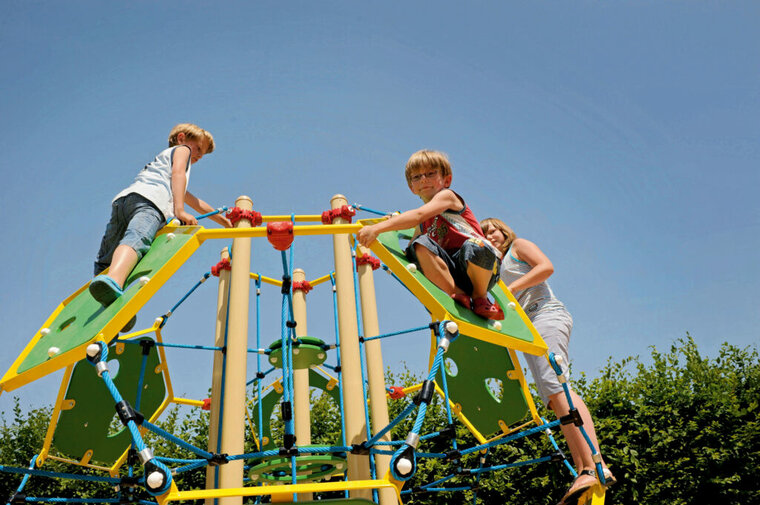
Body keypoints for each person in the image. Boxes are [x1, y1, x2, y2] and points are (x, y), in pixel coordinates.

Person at [479, 217, 615, 504]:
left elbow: (546, 267)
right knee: (553, 397)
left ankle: (594, 464)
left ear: (504, 231)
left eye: (493, 229)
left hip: (545, 314)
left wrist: (511, 291)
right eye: (483, 232)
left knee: (558, 386)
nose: (489, 234)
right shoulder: (492, 269)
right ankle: (584, 468)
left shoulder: (518, 247)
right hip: (528, 328)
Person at [90, 123, 232, 316]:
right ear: (181, 138)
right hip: (152, 202)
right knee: (137, 240)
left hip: (125, 200)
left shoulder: (162, 164)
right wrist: (179, 211)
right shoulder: (182, 151)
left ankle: (106, 304)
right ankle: (114, 282)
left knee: (106, 258)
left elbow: (195, 201)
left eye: (203, 153)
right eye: (198, 148)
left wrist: (223, 221)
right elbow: (178, 175)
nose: (199, 155)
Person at [357, 150, 503, 319]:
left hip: (481, 267)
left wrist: (377, 229)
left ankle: (480, 298)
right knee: (418, 244)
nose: (423, 179)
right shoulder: (423, 224)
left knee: (475, 246)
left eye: (430, 173)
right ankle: (456, 294)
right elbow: (413, 251)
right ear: (412, 187)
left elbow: (418, 214)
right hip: (453, 273)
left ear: (447, 180)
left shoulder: (447, 196)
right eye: (416, 177)